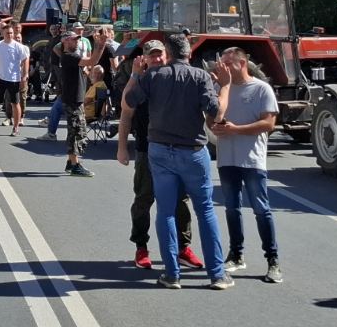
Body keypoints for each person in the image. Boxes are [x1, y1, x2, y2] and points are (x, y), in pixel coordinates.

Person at [121, 33, 231, 289]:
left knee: (166, 211)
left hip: (159, 150)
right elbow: (216, 115)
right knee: (204, 210)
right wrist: (224, 86)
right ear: (189, 53)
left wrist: (137, 75)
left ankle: (172, 274)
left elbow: (129, 102)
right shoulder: (200, 76)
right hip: (192, 151)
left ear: (168, 54)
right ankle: (216, 274)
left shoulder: (153, 77)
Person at [115, 42, 197, 271]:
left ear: (167, 56)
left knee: (181, 200)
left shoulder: (173, 79)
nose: (156, 60)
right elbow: (125, 111)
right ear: (144, 59)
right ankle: (141, 247)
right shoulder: (140, 81)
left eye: (159, 55)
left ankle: (183, 248)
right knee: (143, 199)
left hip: (176, 149)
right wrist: (122, 148)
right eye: (151, 56)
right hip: (146, 150)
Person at [213, 47, 282, 283]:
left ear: (242, 64)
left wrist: (236, 130)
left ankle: (273, 260)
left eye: (228, 63)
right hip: (226, 158)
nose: (223, 67)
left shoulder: (261, 89)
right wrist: (216, 126)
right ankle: (236, 254)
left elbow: (269, 123)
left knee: (261, 209)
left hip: (252, 159)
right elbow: (212, 117)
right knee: (232, 208)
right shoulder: (222, 89)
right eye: (222, 63)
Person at [54, 26, 93, 177]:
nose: (77, 42)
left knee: (77, 130)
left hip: (76, 99)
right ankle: (75, 164)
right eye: (73, 40)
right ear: (65, 42)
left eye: (77, 39)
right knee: (75, 131)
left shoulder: (71, 56)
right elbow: (93, 60)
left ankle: (71, 162)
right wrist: (101, 45)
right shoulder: (70, 56)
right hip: (72, 100)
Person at [44, 24, 91, 139]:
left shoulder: (85, 41)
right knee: (62, 105)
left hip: (81, 71)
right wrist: (66, 58)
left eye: (81, 30)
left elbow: (89, 57)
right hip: (73, 69)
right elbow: (56, 48)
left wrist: (87, 68)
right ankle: (56, 133)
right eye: (78, 30)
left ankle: (74, 136)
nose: (80, 32)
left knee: (65, 106)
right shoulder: (67, 50)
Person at [0, 21, 30, 136]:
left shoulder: (19, 47)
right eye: (7, 33)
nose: (10, 35)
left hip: (14, 79)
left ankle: (15, 127)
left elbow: (25, 60)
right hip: (0, 79)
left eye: (11, 33)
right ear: (2, 33)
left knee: (15, 103)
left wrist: (24, 75)